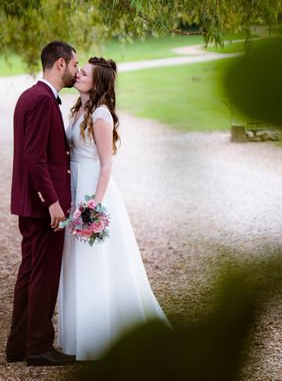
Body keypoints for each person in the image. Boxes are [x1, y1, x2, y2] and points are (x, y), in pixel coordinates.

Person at [58, 57, 170, 361]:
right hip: (75, 187)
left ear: (98, 83)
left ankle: (102, 339)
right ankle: (80, 338)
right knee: (76, 261)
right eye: (79, 70)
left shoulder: (101, 115)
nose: (77, 73)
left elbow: (107, 164)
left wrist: (94, 203)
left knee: (96, 260)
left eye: (84, 73)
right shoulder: (79, 109)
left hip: (93, 191)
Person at [6, 41, 79, 366]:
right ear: (60, 64)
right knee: (43, 275)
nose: (77, 71)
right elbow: (35, 157)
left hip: (29, 203)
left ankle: (19, 344)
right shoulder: (41, 101)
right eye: (75, 65)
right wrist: (52, 201)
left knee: (30, 271)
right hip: (43, 207)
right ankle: (38, 346)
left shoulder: (30, 96)